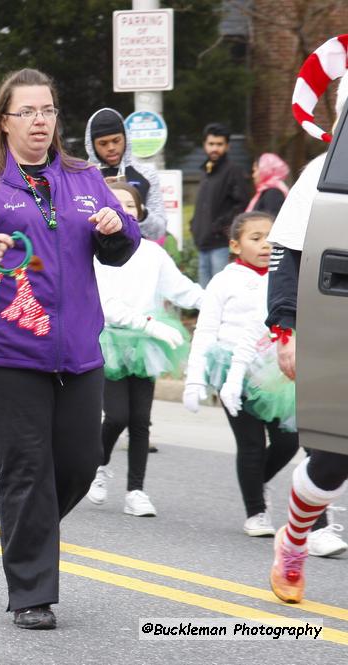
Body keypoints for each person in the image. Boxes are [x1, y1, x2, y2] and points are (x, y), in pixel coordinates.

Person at [0, 68, 140, 630]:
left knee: (78, 462)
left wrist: (117, 227)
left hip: (76, 350)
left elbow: (120, 247)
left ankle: (29, 529)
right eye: (27, 112)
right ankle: (31, 593)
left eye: (47, 110)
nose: (40, 121)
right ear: (5, 120)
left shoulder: (82, 176)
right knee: (26, 465)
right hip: (2, 348)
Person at [268, 36, 348, 601]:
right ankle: (294, 539)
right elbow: (286, 254)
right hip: (335, 326)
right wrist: (286, 330)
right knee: (334, 460)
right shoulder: (322, 174)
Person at [88, 182, 203, 517]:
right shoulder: (95, 252)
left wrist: (216, 303)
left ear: (139, 212)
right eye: (116, 203)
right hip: (110, 339)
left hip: (145, 345)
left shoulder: (153, 253)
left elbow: (182, 290)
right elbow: (104, 303)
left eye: (130, 205)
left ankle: (136, 490)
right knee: (117, 416)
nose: (124, 209)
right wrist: (149, 325)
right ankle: (98, 464)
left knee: (140, 421)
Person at [183, 212, 299, 538]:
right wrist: (195, 378)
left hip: (275, 373)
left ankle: (255, 481)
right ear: (235, 245)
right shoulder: (224, 280)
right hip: (234, 371)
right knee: (250, 444)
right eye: (256, 238)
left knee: (289, 441)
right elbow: (205, 332)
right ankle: (256, 511)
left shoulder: (285, 278)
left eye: (271, 238)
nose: (266, 245)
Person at [84, 108, 166, 241]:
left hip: (139, 256)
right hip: (95, 257)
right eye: (103, 143)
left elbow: (159, 231)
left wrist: (137, 208)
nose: (111, 147)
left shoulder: (146, 175)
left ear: (126, 138)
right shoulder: (80, 177)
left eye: (116, 140)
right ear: (91, 145)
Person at [189, 123, 250, 287]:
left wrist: (220, 227)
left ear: (227, 146)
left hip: (221, 243)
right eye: (211, 144)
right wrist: (194, 226)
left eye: (219, 144)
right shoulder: (206, 171)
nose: (214, 148)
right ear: (204, 145)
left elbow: (242, 205)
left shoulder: (233, 171)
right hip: (203, 241)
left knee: (221, 289)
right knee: (205, 292)